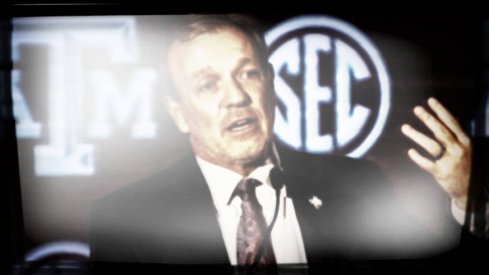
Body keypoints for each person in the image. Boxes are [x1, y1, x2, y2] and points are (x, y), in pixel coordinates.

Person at [90, 14, 476, 273]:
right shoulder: (125, 221)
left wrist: (468, 201)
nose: (236, 97)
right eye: (209, 85)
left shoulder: (357, 182)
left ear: (270, 84)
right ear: (177, 111)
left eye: (248, 73)